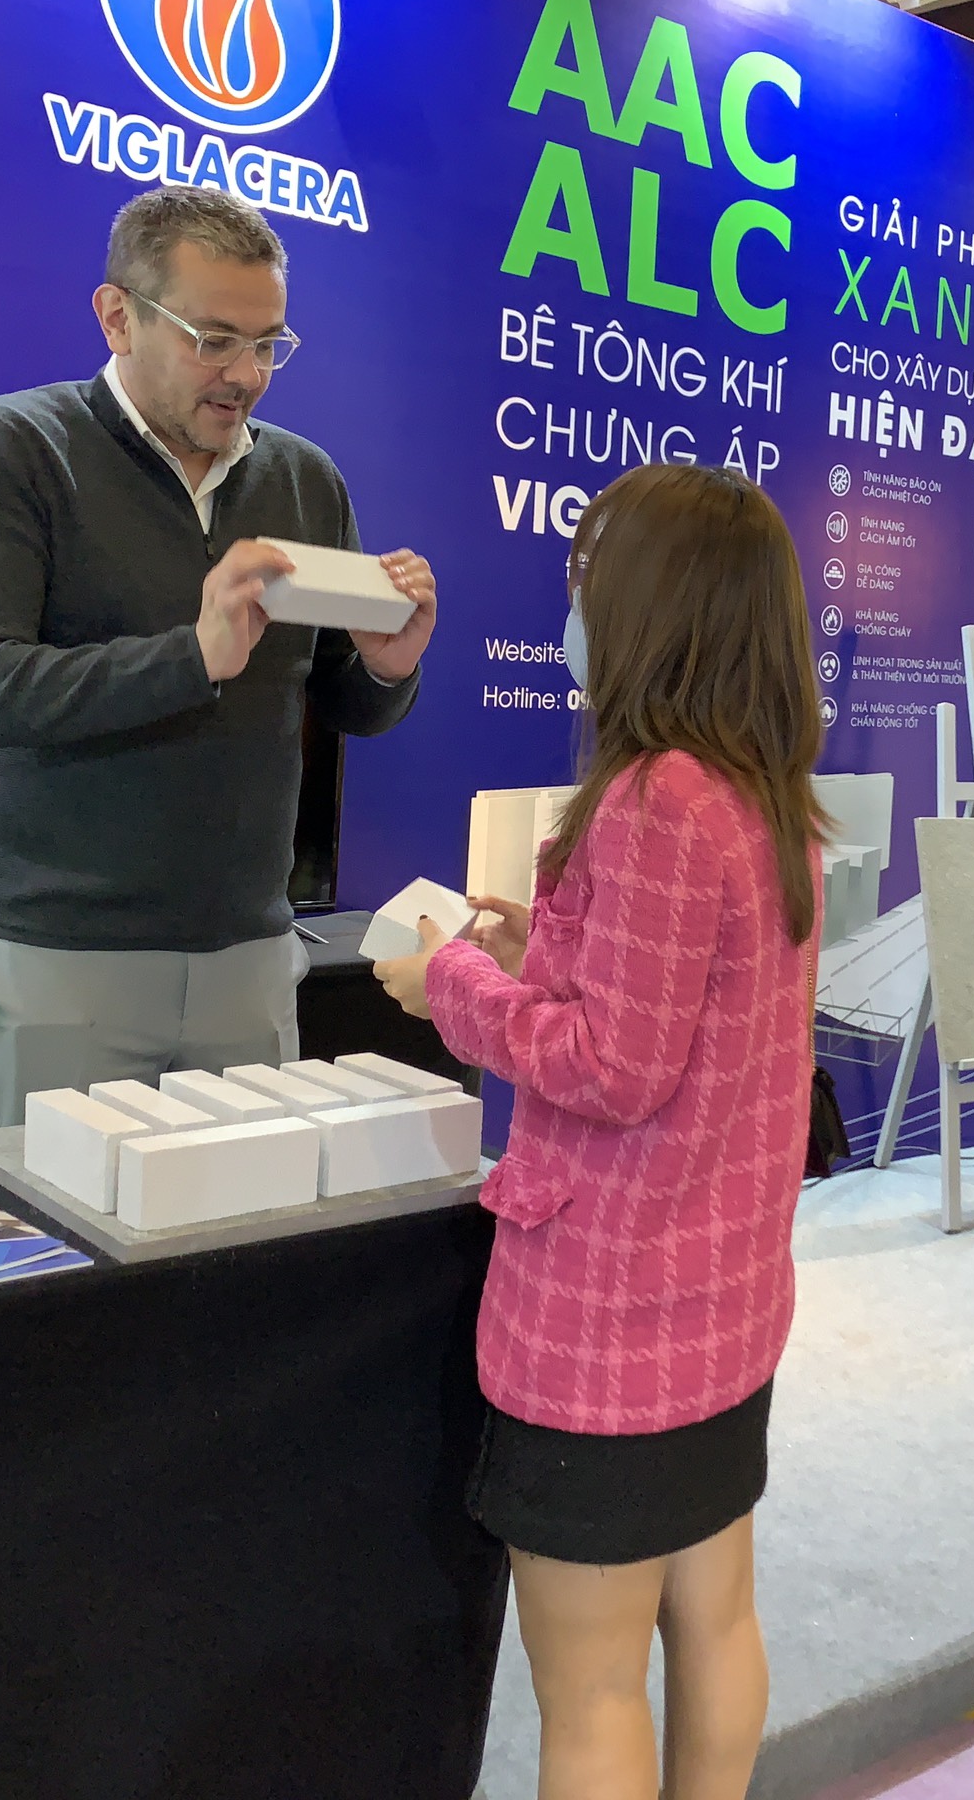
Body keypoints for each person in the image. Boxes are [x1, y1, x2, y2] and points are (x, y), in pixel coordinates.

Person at [371, 463, 821, 1800]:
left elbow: (614, 1069)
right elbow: (693, 1017)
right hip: (723, 1306)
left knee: (590, 1690)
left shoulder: (655, 799)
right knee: (717, 1619)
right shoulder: (760, 792)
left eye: (585, 586)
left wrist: (452, 980)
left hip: (615, 1324)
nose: (571, 614)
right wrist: (547, 948)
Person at [0, 186, 434, 1130]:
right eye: (214, 339)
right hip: (63, 957)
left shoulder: (304, 478)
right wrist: (191, 656)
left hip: (249, 954)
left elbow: (343, 704)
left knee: (245, 1215)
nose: (246, 374)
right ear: (118, 317)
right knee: (61, 1223)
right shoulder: (14, 448)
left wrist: (388, 669)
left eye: (268, 343)